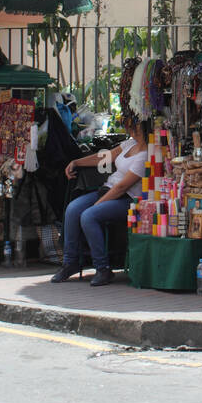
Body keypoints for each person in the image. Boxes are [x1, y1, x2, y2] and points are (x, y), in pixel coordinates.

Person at [51, 118, 150, 287]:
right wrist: (76, 162)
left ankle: (102, 268)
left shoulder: (146, 155)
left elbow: (122, 187)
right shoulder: (129, 144)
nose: (132, 129)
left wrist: (98, 205)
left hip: (127, 199)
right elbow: (105, 157)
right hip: (107, 189)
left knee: (89, 216)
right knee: (73, 209)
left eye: (136, 126)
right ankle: (70, 262)